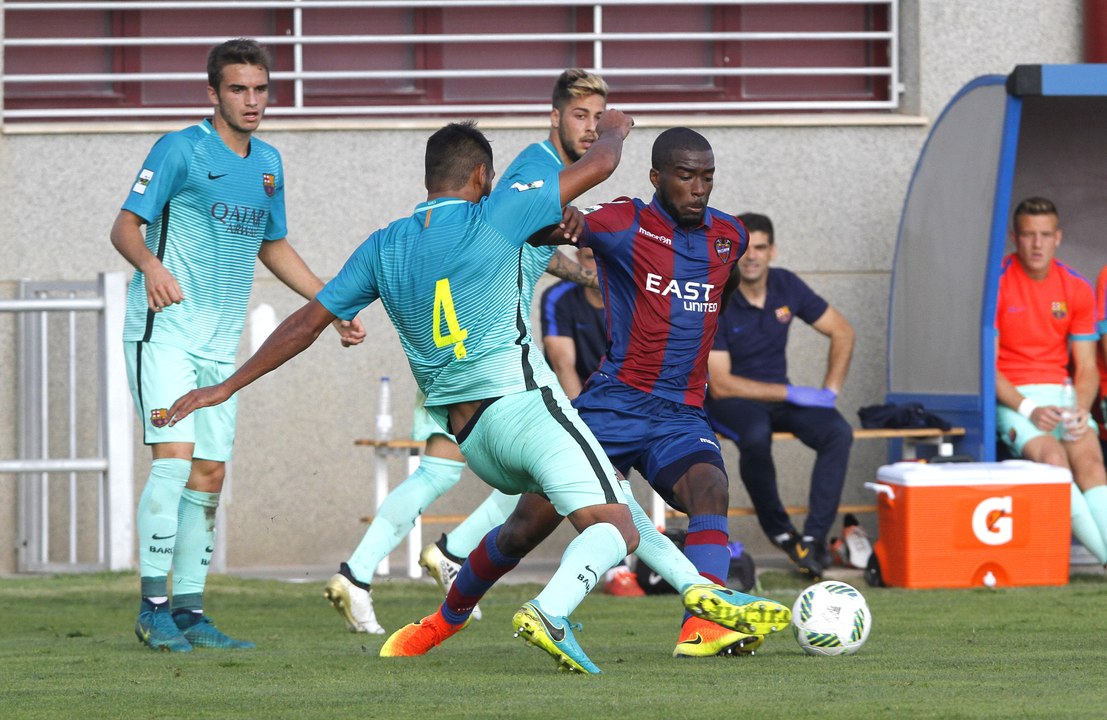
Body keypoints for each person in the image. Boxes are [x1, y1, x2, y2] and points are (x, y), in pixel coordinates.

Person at [167, 118, 777, 674]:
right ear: (484, 177)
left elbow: (307, 322)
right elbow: (597, 169)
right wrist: (614, 131)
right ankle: (556, 612)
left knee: (584, 511)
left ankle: (446, 623)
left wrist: (224, 386)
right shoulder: (497, 218)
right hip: (525, 410)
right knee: (614, 524)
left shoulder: (384, 243)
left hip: (470, 438)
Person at [322, 69, 608, 634]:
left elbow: (516, 246)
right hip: (488, 362)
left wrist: (578, 272)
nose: (593, 128)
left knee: (441, 475)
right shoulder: (535, 169)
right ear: (554, 116)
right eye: (583, 116)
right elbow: (496, 238)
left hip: (458, 356)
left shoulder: (530, 182)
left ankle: (368, 571)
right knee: (544, 477)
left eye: (602, 118)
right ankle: (440, 558)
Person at [110, 38, 365, 653]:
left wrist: (334, 305)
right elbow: (124, 225)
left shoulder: (270, 162)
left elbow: (273, 246)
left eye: (260, 89)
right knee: (173, 460)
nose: (252, 101)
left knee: (210, 472)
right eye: (238, 89)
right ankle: (152, 607)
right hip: (165, 331)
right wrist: (149, 264)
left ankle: (192, 613)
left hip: (222, 349)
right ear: (213, 93)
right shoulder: (179, 149)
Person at [705, 212, 855, 580]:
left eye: (760, 247)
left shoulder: (787, 285)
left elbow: (843, 331)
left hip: (778, 399)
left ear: (773, 251)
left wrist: (829, 391)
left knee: (838, 432)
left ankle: (814, 540)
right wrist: (792, 391)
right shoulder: (718, 293)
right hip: (729, 402)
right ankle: (784, 533)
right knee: (755, 434)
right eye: (745, 248)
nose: (752, 256)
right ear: (732, 251)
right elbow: (722, 383)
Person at [995, 197, 1107, 564]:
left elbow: (1087, 367)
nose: (1037, 244)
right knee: (1054, 458)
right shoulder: (996, 282)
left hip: (1062, 395)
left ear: (1058, 237)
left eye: (1045, 235)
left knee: (1091, 461)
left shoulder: (1075, 286)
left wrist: (1079, 408)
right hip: (1014, 397)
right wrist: (1027, 408)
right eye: (1029, 235)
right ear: (1014, 238)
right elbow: (985, 367)